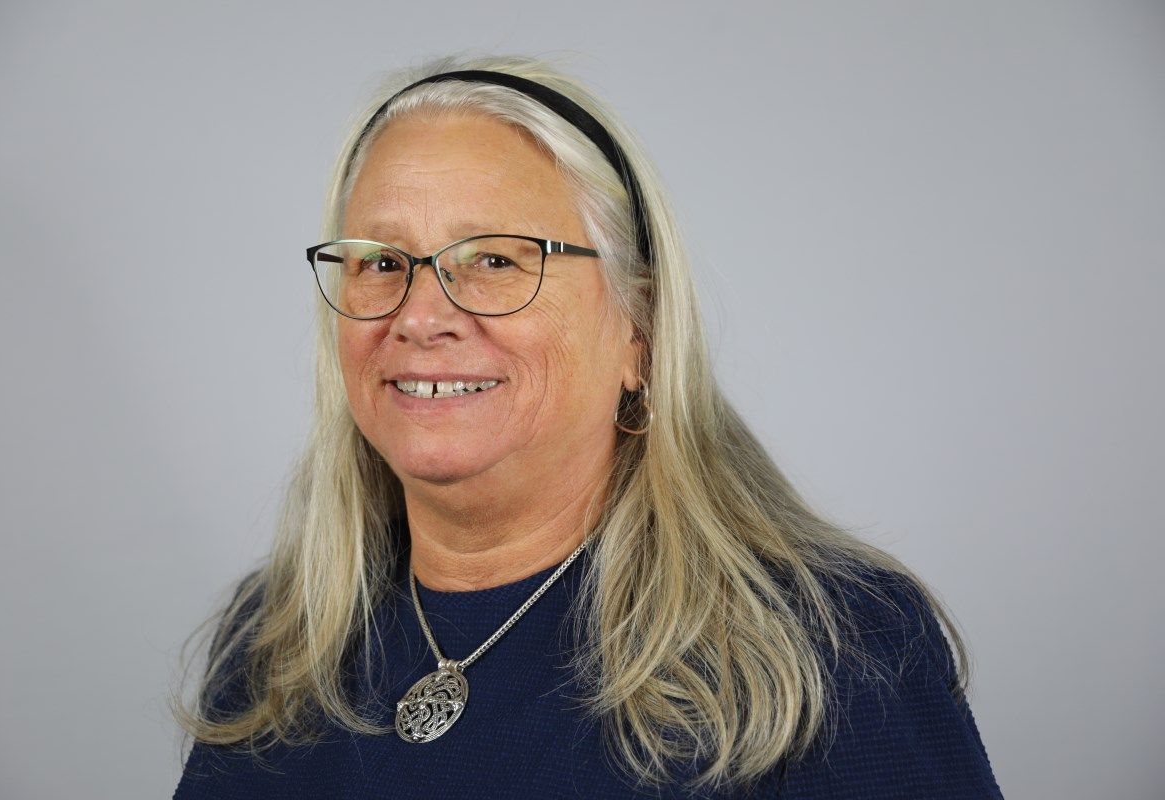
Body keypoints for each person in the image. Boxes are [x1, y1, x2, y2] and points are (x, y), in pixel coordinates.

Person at [170, 54, 1004, 799]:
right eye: (382, 263)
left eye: (494, 260)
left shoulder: (833, 647)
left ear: (638, 333)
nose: (420, 317)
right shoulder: (273, 637)